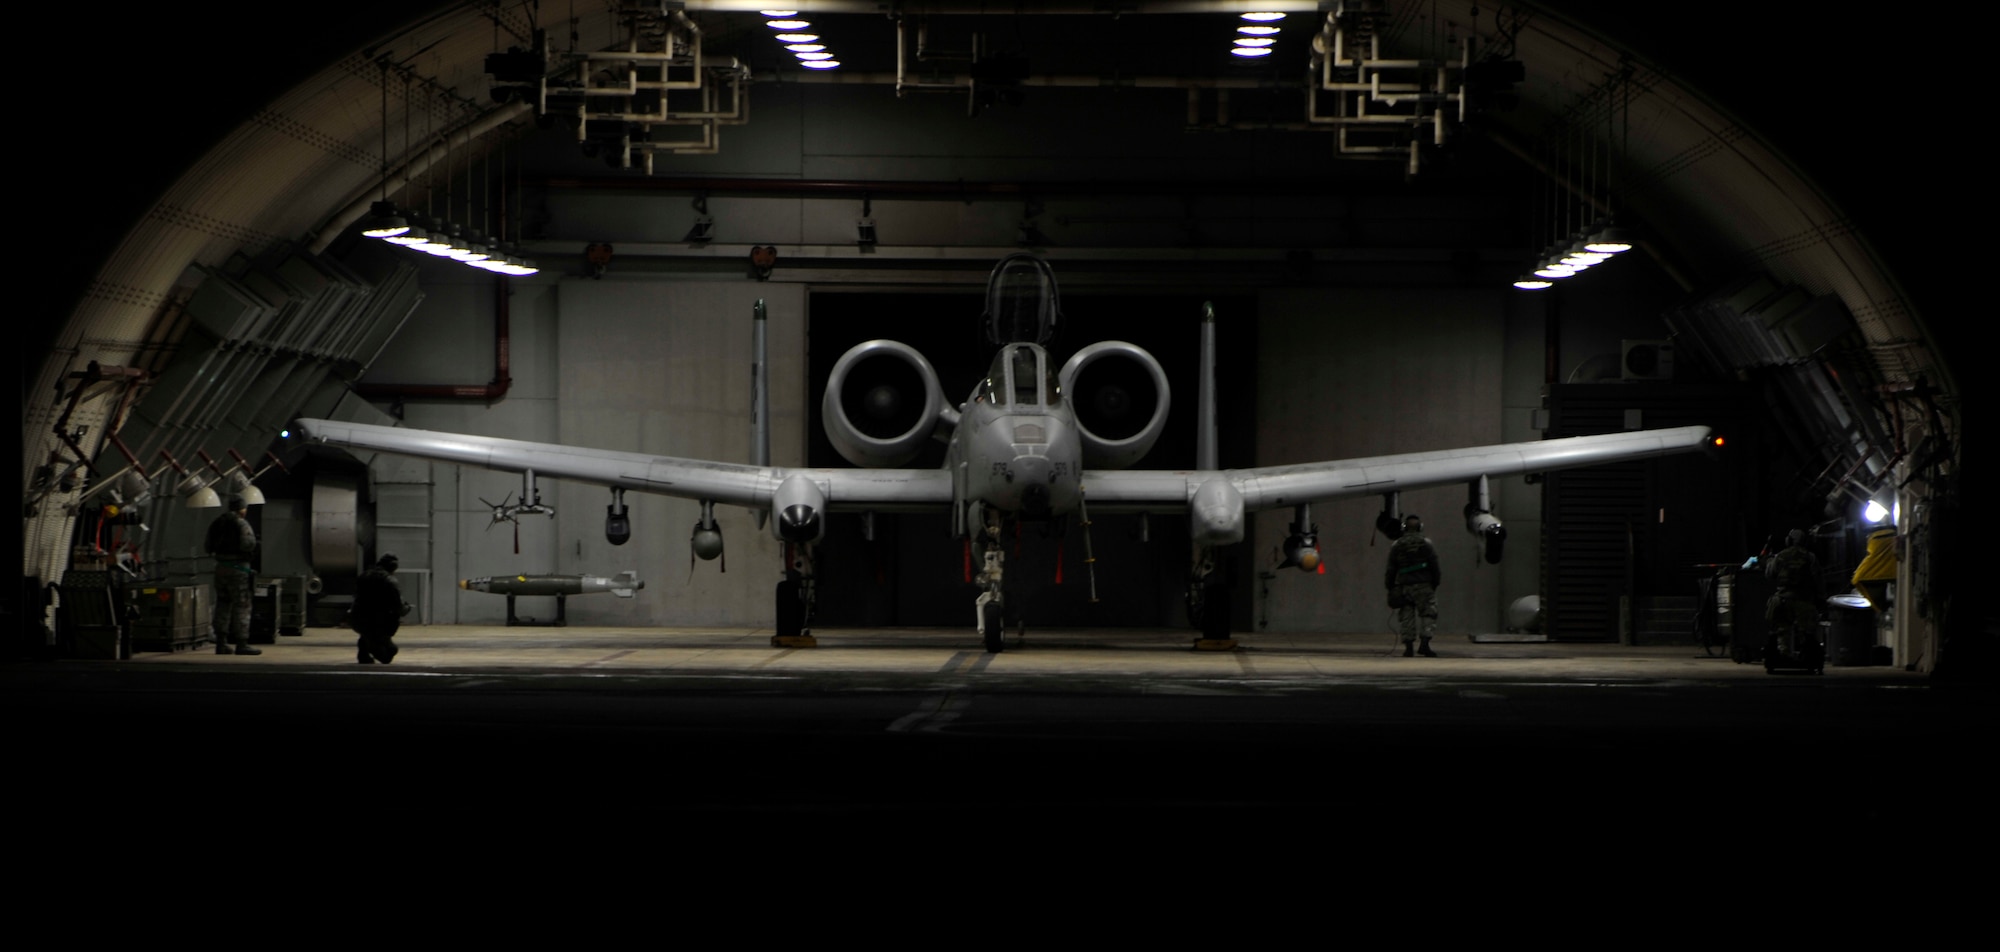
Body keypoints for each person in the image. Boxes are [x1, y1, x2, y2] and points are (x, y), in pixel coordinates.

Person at [205, 494, 261, 656]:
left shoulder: (217, 523)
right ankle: (242, 643)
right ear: (241, 509)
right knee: (242, 605)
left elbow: (207, 546)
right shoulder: (241, 523)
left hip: (220, 568)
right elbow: (247, 544)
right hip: (238, 570)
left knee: (223, 604)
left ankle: (221, 643)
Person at [1384, 513, 1441, 657]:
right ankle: (1425, 644)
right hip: (1424, 585)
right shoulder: (1426, 543)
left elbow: (1391, 568)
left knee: (1407, 616)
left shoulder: (1397, 545)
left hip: (1405, 586)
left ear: (1404, 527)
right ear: (1420, 527)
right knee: (1428, 614)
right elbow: (1434, 565)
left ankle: (1408, 648)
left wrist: (1390, 587)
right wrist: (1434, 583)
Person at [1764, 528, 1824, 658]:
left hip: (1783, 600)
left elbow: (1770, 574)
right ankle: (1806, 656)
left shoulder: (1780, 556)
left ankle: (1783, 654)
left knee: (1782, 629)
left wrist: (1769, 561)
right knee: (1807, 633)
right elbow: (1817, 579)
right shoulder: (1810, 557)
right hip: (1805, 601)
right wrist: (1820, 598)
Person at [352, 552, 409, 664]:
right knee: (389, 653)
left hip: (358, 618)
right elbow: (398, 607)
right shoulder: (389, 581)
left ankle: (366, 646)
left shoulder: (364, 576)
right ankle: (373, 647)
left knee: (368, 635)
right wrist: (406, 608)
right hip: (379, 621)